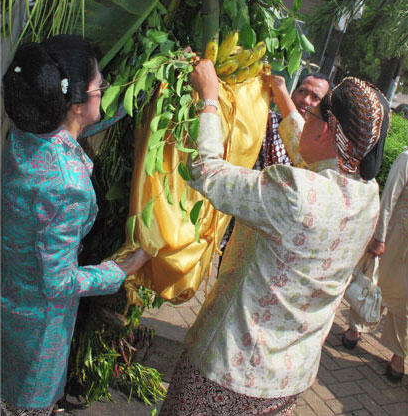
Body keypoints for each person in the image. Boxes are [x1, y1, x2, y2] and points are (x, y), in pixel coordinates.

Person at [159, 60, 389, 416]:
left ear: (328, 131)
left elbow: (207, 172)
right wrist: (283, 95)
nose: (306, 118)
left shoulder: (296, 193)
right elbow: (310, 147)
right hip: (288, 379)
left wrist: (208, 98)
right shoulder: (366, 195)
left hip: (232, 371)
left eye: (313, 116)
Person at [0, 35, 149, 416]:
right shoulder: (68, 186)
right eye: (102, 87)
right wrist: (120, 270)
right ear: (77, 103)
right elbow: (60, 282)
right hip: (37, 331)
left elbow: (73, 133)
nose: (106, 91)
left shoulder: (23, 133)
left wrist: (135, 98)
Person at [219, 72, 331, 269]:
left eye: (316, 98)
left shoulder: (320, 154)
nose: (305, 100)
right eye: (302, 91)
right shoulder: (264, 120)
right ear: (293, 92)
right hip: (241, 229)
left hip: (280, 248)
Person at [342, 149, 408, 382]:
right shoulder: (407, 158)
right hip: (394, 237)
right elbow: (389, 197)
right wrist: (379, 236)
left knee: (404, 302)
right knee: (373, 281)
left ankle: (398, 356)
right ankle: (355, 328)